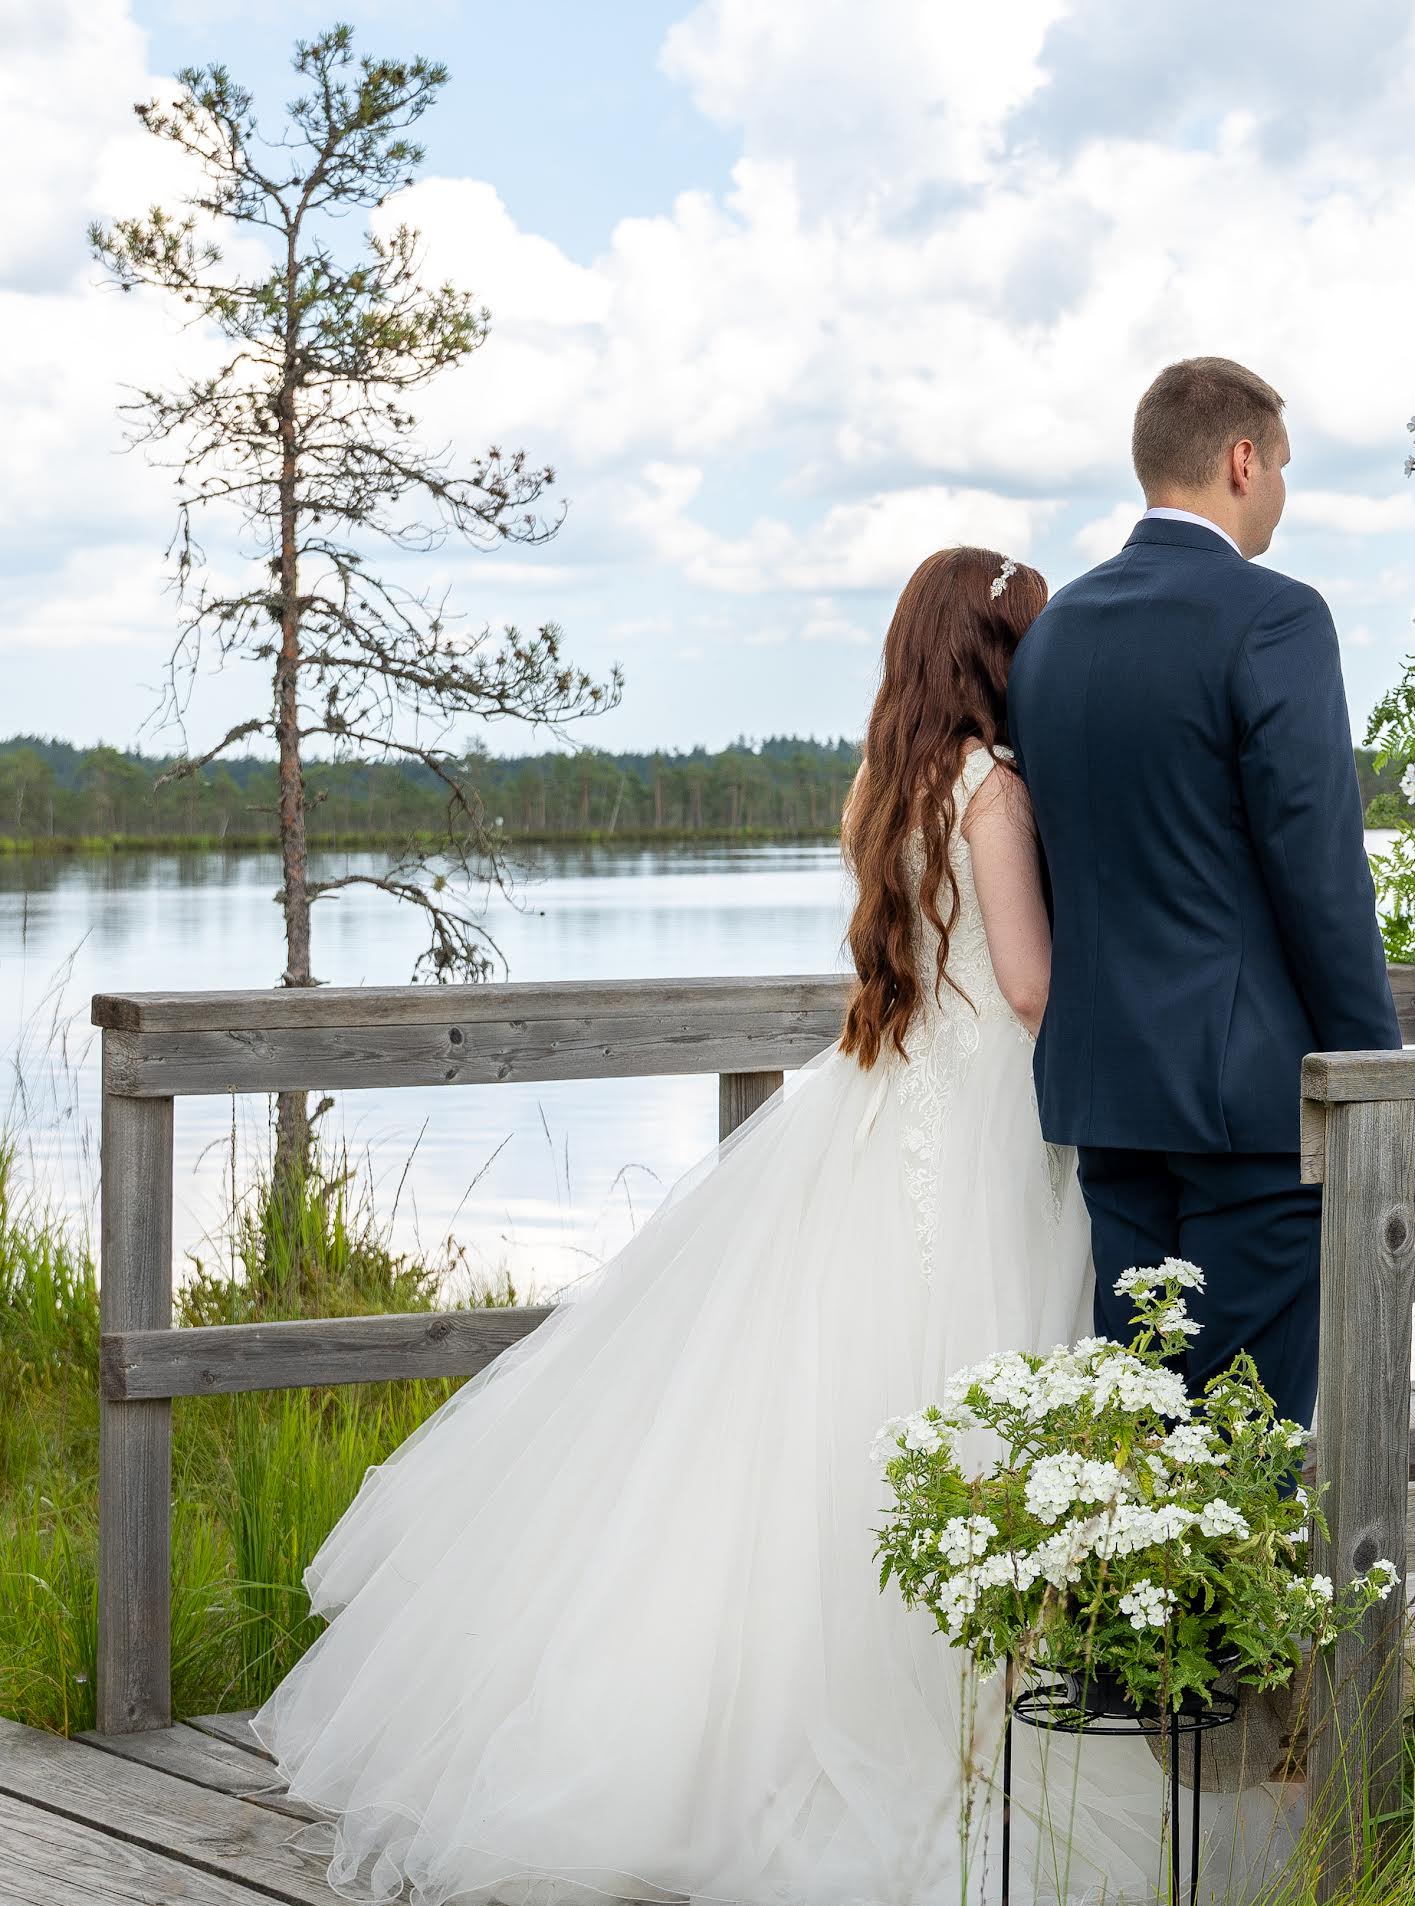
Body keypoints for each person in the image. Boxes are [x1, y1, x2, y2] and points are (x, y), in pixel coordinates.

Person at [253, 549, 1199, 1904]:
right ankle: (944, 1719)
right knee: (965, 1383)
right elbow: (1036, 984)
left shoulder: (879, 787)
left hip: (876, 1113)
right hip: (979, 1127)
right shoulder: (992, 788)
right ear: (996, 654)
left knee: (829, 1417)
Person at [1009, 356, 1402, 1433]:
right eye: (1281, 465)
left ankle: (1137, 1607)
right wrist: (1376, 1071)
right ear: (1242, 461)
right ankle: (1238, 1615)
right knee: (1246, 1443)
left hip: (1109, 1098)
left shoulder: (1053, 636)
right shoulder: (1274, 617)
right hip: (1248, 1109)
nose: (1281, 489)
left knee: (1136, 1440)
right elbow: (1319, 868)